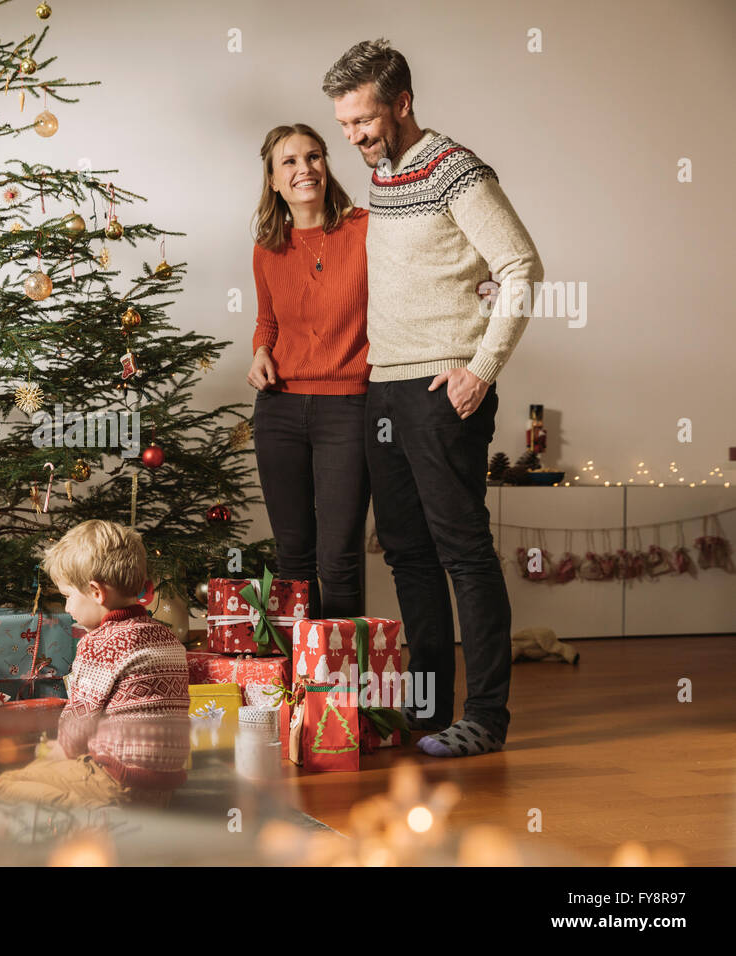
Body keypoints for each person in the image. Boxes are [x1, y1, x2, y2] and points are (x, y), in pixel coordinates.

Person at [323, 38, 544, 757]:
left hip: (442, 387)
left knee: (464, 553)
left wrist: (480, 369)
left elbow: (520, 265)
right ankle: (425, 709)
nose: (353, 137)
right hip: (383, 388)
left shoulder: (457, 171)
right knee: (407, 555)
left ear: (403, 103)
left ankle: (485, 717)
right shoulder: (384, 178)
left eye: (363, 120)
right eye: (345, 124)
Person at [248, 123, 371, 619]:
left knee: (338, 557)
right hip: (279, 409)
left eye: (314, 157)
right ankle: (303, 684)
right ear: (274, 180)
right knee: (293, 558)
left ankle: (344, 685)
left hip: (349, 406)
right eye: (291, 162)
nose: (305, 169)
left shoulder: (365, 229)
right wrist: (260, 352)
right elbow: (267, 322)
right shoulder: (268, 249)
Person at [0, 520, 190, 808]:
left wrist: (61, 750)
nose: (68, 607)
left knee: (5, 784)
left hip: (115, 780)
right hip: (163, 784)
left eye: (68, 596)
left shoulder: (100, 643)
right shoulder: (166, 637)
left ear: (96, 592)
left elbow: (80, 718)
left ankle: (92, 811)